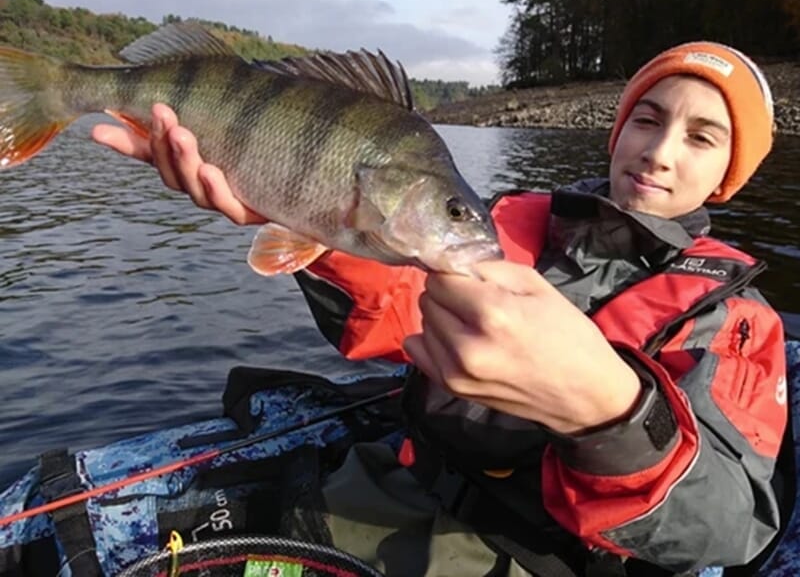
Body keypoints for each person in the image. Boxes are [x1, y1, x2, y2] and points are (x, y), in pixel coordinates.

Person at [93, 41, 788, 576]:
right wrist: (314, 222)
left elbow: (732, 524)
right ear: (618, 129)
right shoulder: (512, 224)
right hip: (388, 487)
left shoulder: (736, 315)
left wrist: (611, 411)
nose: (661, 152)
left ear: (730, 174)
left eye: (701, 137)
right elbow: (395, 320)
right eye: (647, 118)